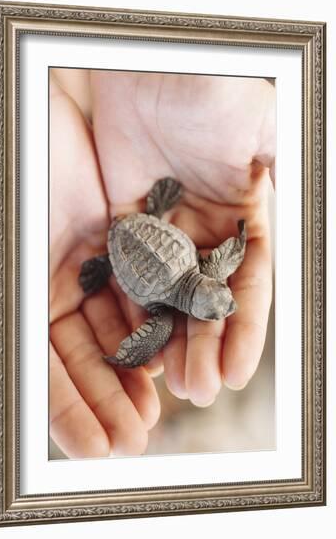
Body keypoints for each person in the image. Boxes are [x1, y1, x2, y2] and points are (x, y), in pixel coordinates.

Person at [49, 69, 275, 459]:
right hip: (127, 241)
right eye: (225, 295)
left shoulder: (186, 283)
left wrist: (238, 240)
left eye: (219, 300)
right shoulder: (168, 311)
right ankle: (107, 264)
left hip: (147, 226)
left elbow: (223, 259)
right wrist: (238, 238)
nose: (228, 300)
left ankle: (146, 219)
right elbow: (226, 257)